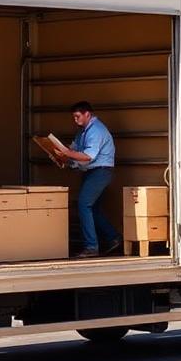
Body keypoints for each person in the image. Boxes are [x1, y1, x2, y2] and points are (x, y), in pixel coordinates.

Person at [52, 101, 122, 258]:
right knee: (93, 209)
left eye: (77, 116)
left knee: (84, 204)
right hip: (93, 172)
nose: (75, 120)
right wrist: (63, 156)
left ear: (87, 114)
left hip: (100, 172)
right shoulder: (83, 131)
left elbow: (88, 156)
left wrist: (66, 154)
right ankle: (113, 237)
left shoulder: (96, 131)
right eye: (74, 117)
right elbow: (74, 151)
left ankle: (91, 247)